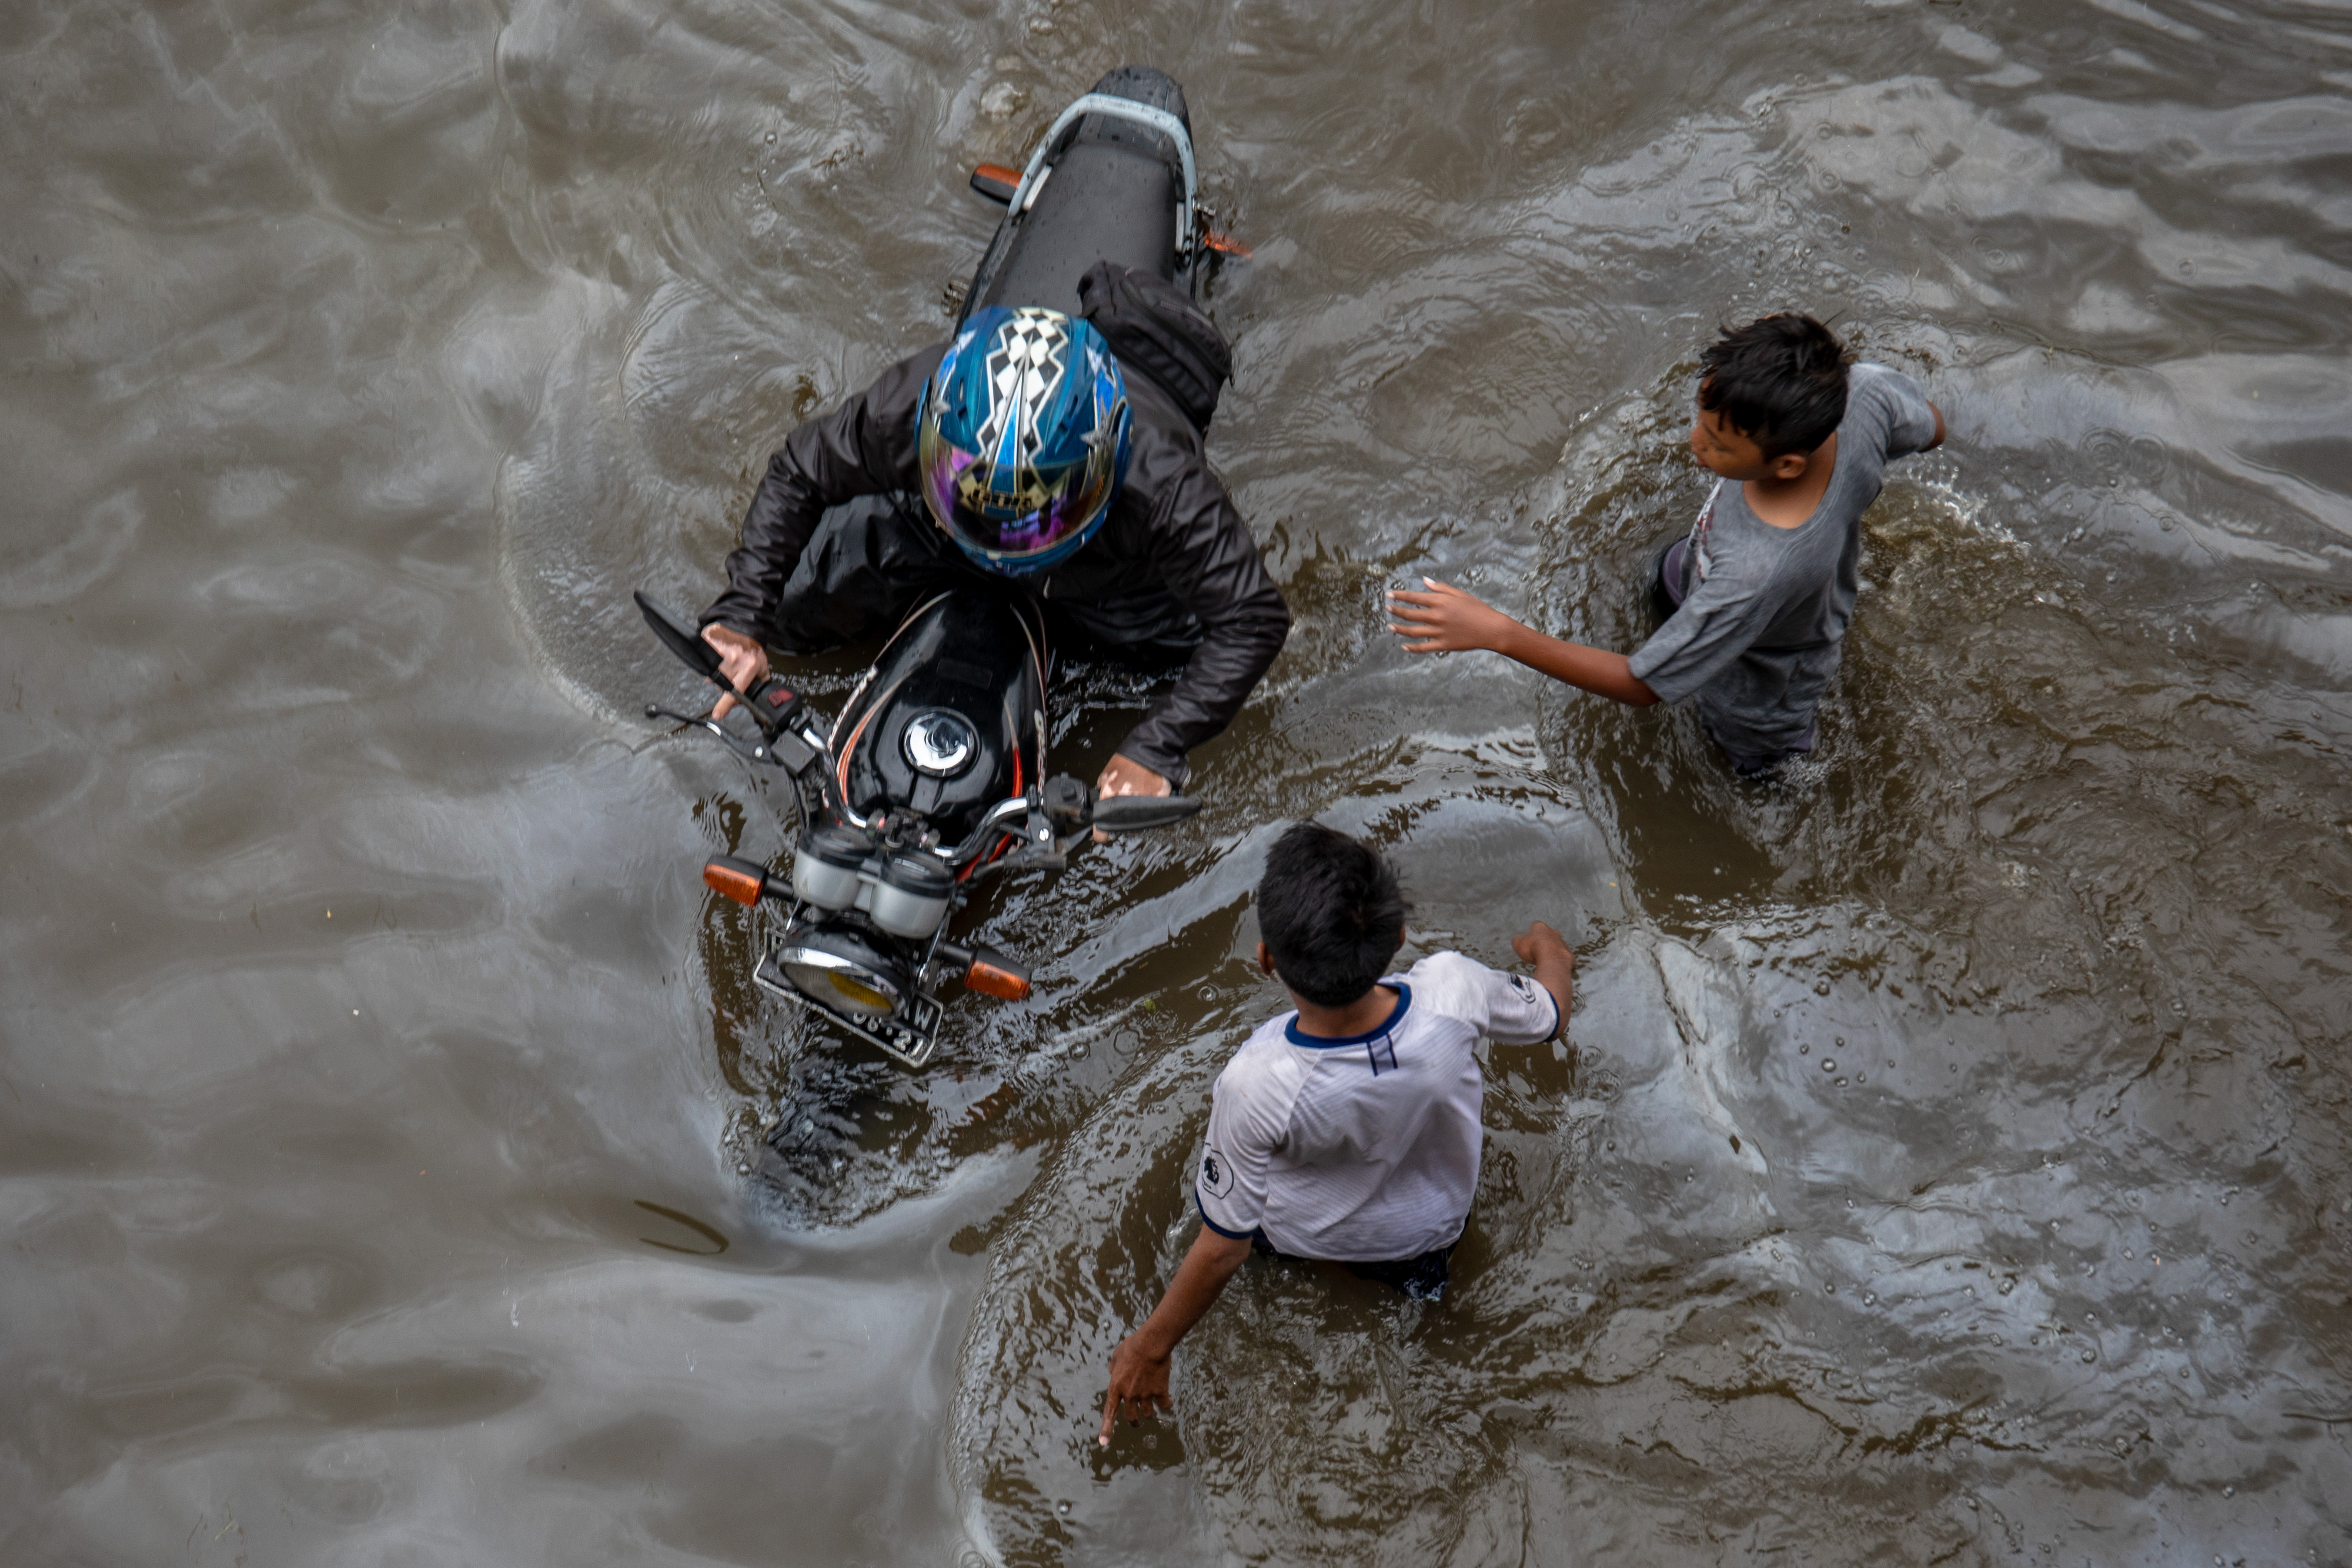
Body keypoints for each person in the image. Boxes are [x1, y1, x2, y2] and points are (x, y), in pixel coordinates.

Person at [697, 296, 1290, 811]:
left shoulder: (1165, 487)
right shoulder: (910, 406)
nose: (1007, 536)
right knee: (792, 614)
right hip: (941, 533)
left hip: (1109, 584)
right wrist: (744, 614)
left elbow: (1252, 618)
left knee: (1156, 687)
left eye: (1028, 511)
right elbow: (802, 467)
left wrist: (1157, 745)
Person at [1097, 821, 1576, 1445]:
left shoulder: (1257, 1079)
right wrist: (1551, 954)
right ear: (1398, 935)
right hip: (1425, 1244)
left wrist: (1150, 1345)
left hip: (1300, 1244)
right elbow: (1551, 1016)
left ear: (1266, 958)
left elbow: (1222, 1248)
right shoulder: (1453, 992)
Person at [1387, 313, 1945, 774]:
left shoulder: (1754, 574)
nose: (1695, 443)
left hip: (1759, 692)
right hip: (1704, 569)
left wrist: (1499, 633)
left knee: (1751, 763)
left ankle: (1769, 775)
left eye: (1719, 445)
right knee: (1668, 577)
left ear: (1787, 464)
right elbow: (1931, 425)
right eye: (1701, 419)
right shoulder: (1864, 394)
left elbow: (1643, 685)